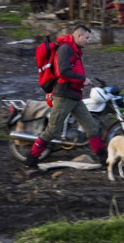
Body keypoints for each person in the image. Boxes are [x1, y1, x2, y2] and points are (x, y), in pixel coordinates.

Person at [25, 25, 108, 169]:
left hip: (74, 96)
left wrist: (81, 81)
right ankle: (31, 159)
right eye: (86, 38)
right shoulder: (65, 49)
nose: (87, 41)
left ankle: (104, 160)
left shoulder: (75, 51)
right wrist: (82, 79)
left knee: (92, 128)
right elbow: (63, 72)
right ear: (78, 36)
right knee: (53, 131)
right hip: (63, 95)